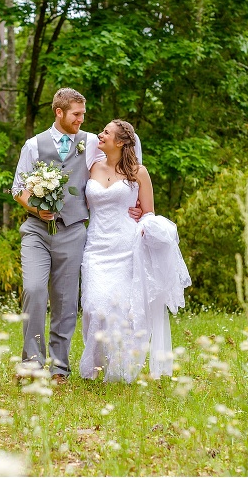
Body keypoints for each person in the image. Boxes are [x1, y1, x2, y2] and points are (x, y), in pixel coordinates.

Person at [11, 88, 142, 385]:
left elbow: (119, 163)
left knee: (66, 301)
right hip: (36, 231)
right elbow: (18, 187)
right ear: (59, 112)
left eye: (83, 114)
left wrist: (132, 204)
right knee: (33, 290)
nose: (82, 120)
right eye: (76, 114)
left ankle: (59, 369)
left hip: (72, 231)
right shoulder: (33, 145)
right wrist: (35, 207)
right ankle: (31, 365)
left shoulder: (92, 142)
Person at [79, 119, 191, 383]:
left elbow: (148, 213)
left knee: (119, 310)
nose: (100, 134)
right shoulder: (91, 167)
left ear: (120, 142)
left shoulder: (139, 172)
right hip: (95, 247)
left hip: (126, 247)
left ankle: (120, 368)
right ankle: (95, 364)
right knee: (94, 306)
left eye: (106, 132)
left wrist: (142, 218)